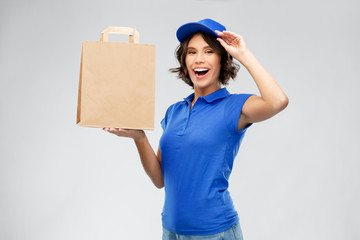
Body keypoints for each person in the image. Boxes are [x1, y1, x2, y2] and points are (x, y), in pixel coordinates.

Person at [103, 18, 288, 240]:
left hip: (214, 232)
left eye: (209, 51)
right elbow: (160, 180)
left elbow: (278, 101)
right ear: (184, 60)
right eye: (191, 52)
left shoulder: (233, 107)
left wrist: (244, 54)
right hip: (171, 230)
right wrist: (139, 138)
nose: (199, 59)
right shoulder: (174, 111)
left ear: (222, 59)